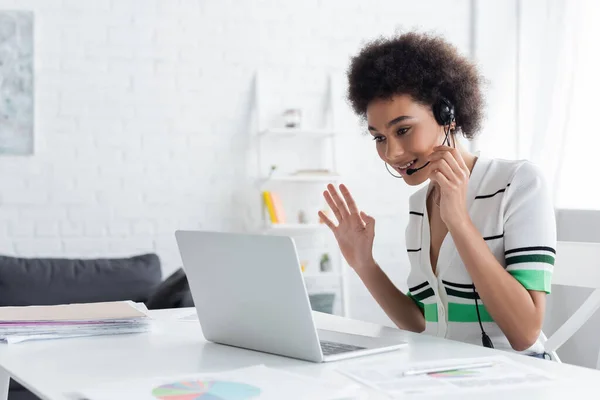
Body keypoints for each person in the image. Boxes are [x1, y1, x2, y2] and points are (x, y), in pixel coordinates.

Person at [318, 32, 556, 357]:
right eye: (379, 138)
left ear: (447, 114)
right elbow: (423, 323)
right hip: (445, 375)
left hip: (517, 378)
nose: (392, 153)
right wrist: (364, 263)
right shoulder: (420, 205)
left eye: (403, 130)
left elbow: (525, 333)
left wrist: (458, 220)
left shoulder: (519, 183)